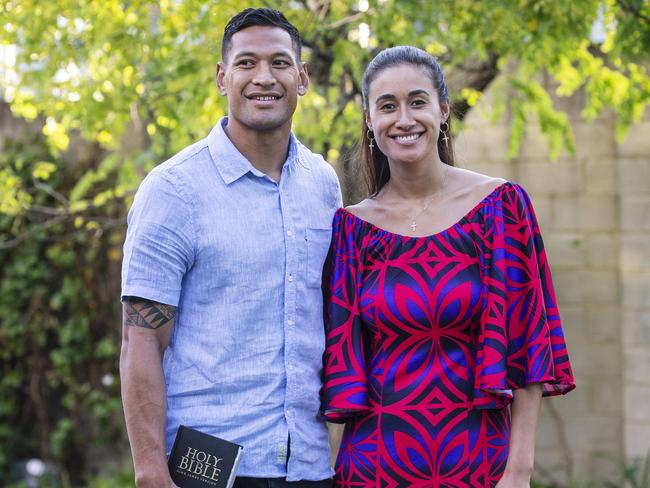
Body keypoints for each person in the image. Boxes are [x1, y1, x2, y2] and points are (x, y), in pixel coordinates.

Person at [321, 46, 575, 487]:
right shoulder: (351, 229)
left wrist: (519, 471)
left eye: (417, 102)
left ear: (442, 110)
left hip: (481, 465)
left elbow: (531, 347)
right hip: (374, 467)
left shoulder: (501, 209)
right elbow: (341, 364)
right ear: (369, 120)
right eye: (387, 106)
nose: (403, 119)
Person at [120, 8, 341, 488]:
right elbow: (140, 340)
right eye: (246, 63)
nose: (264, 77)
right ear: (223, 77)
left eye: (280, 63)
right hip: (208, 470)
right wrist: (152, 474)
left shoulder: (323, 185)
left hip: (310, 465)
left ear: (302, 78)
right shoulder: (174, 191)